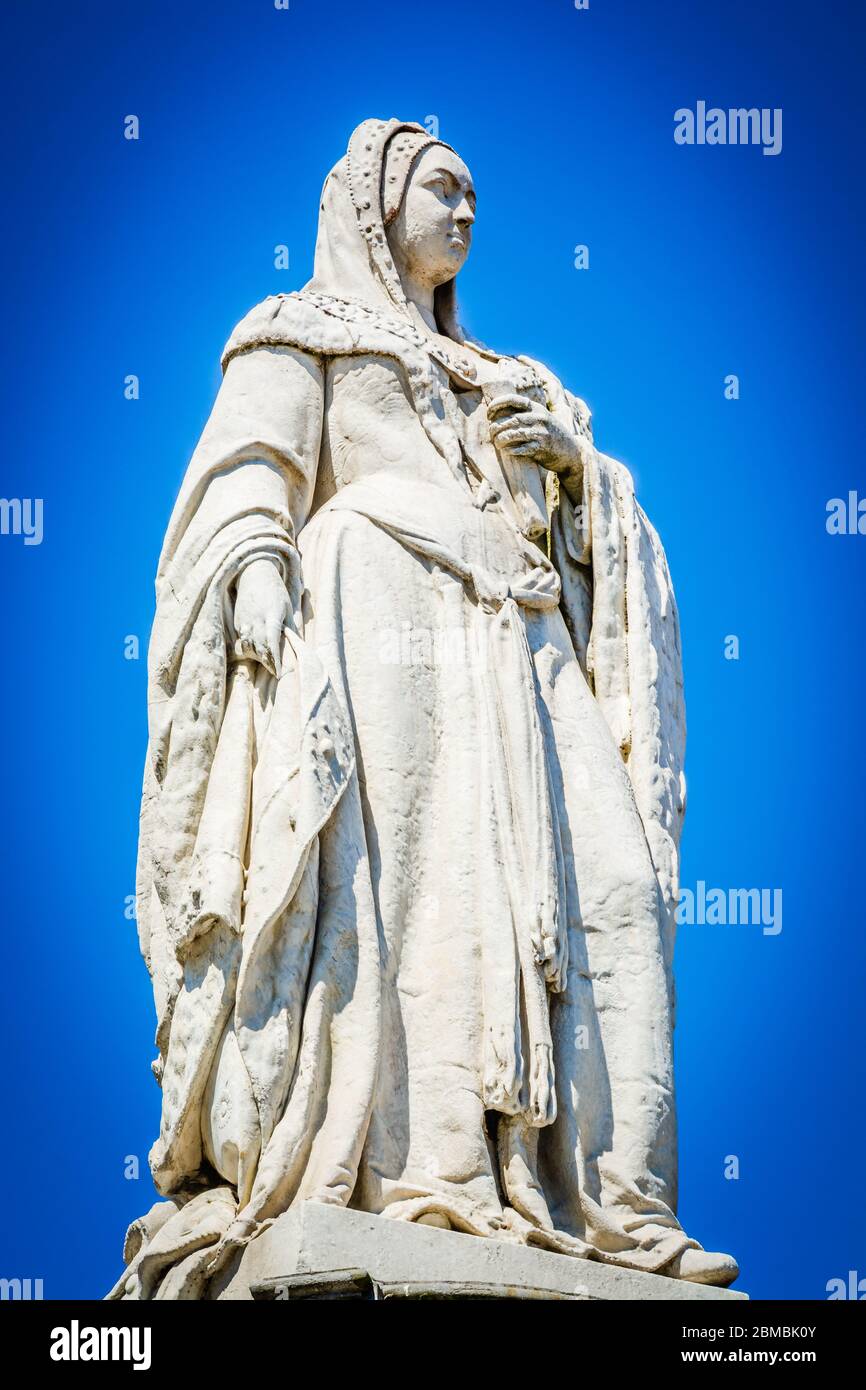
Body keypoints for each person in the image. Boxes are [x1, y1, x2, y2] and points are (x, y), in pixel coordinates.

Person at [109, 118, 738, 1300]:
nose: (463, 215)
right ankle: (424, 1172)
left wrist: (575, 474)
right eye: (442, 189)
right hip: (376, 632)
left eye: (474, 202)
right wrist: (253, 563)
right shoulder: (300, 333)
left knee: (615, 896)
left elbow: (608, 541)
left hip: (527, 652)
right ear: (373, 200)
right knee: (405, 907)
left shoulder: (511, 379)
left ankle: (616, 1207)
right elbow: (248, 469)